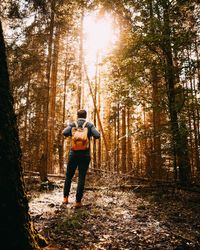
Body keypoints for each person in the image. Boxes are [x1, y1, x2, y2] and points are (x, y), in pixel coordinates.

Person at [62, 109, 100, 208]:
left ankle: (65, 198)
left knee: (68, 176)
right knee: (81, 177)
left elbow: (64, 133)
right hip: (85, 155)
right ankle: (78, 202)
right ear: (85, 116)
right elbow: (97, 135)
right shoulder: (89, 125)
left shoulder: (72, 124)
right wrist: (88, 134)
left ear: (77, 116)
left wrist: (73, 132)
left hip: (73, 154)